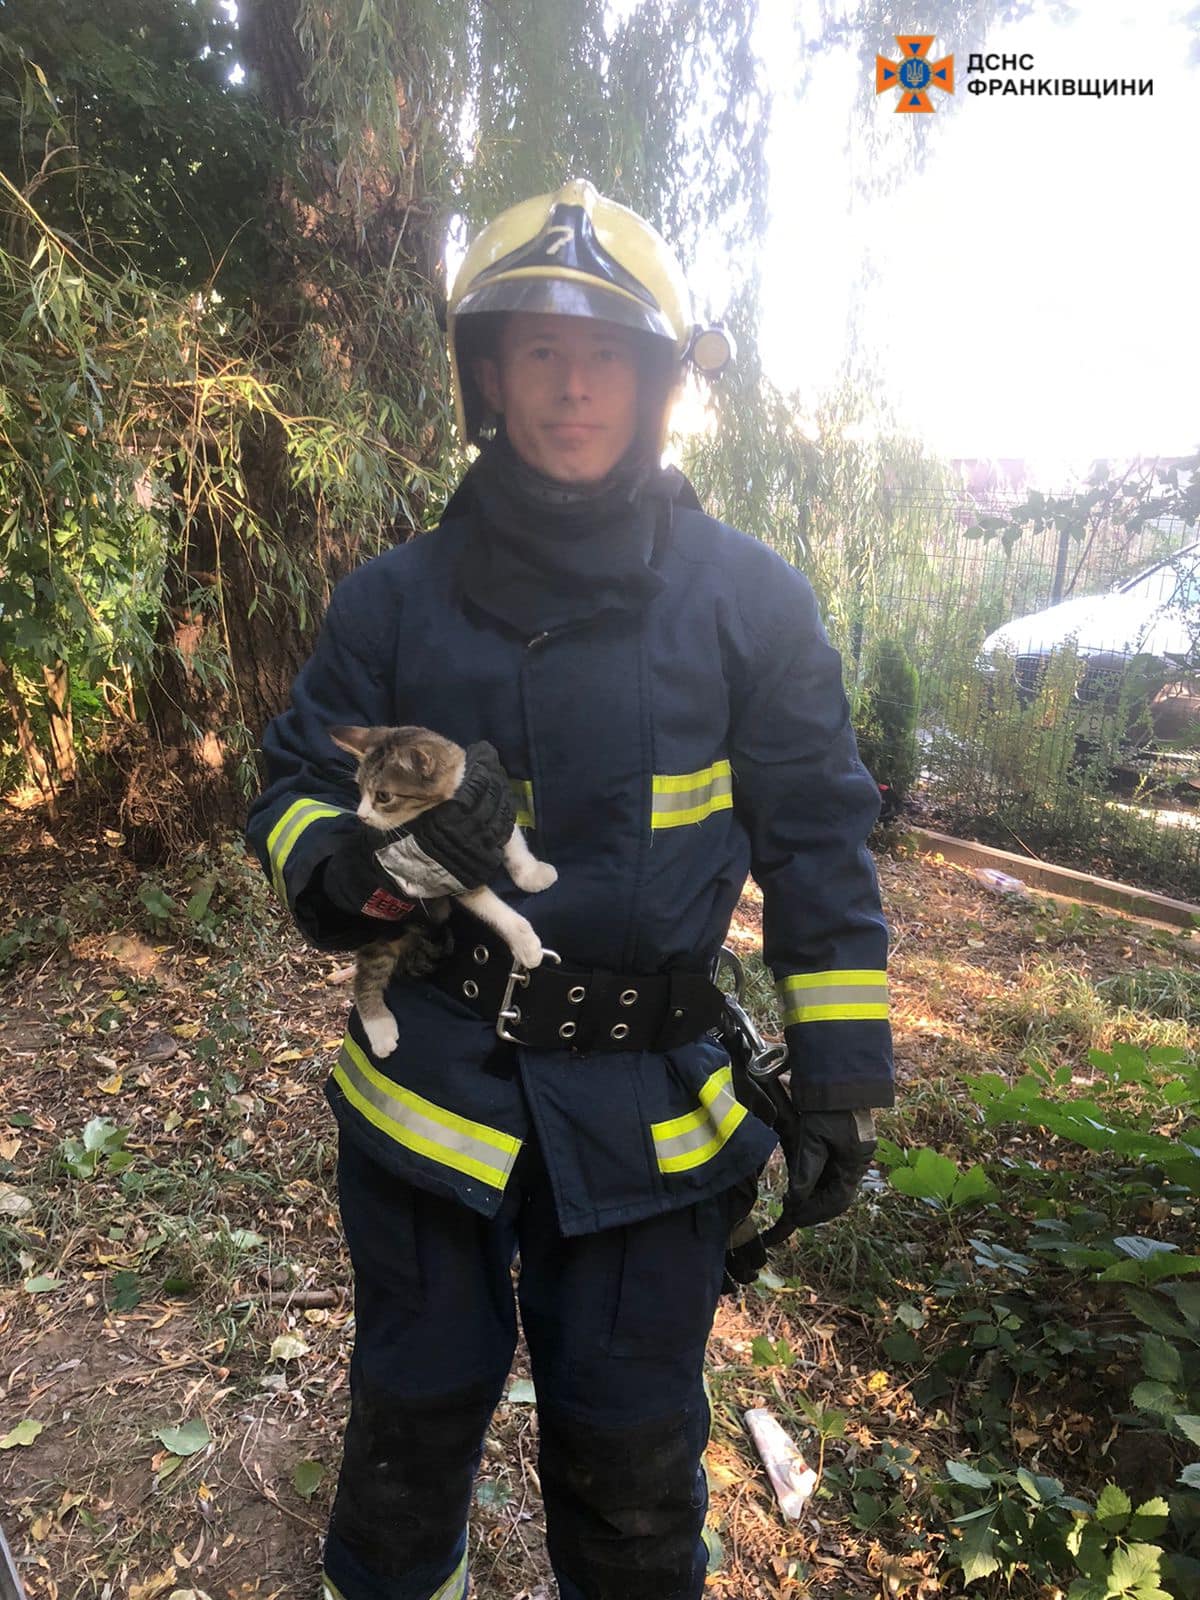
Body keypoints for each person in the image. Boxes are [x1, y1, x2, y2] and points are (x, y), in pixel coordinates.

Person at [246, 178, 893, 1600]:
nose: (572, 383)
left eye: (605, 352)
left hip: (651, 1109)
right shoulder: (393, 603)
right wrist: (368, 871)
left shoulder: (752, 605)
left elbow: (818, 842)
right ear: (489, 375)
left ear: (660, 383)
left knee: (632, 1450)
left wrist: (842, 1071)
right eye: (537, 349)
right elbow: (287, 790)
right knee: (411, 1428)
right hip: (434, 1094)